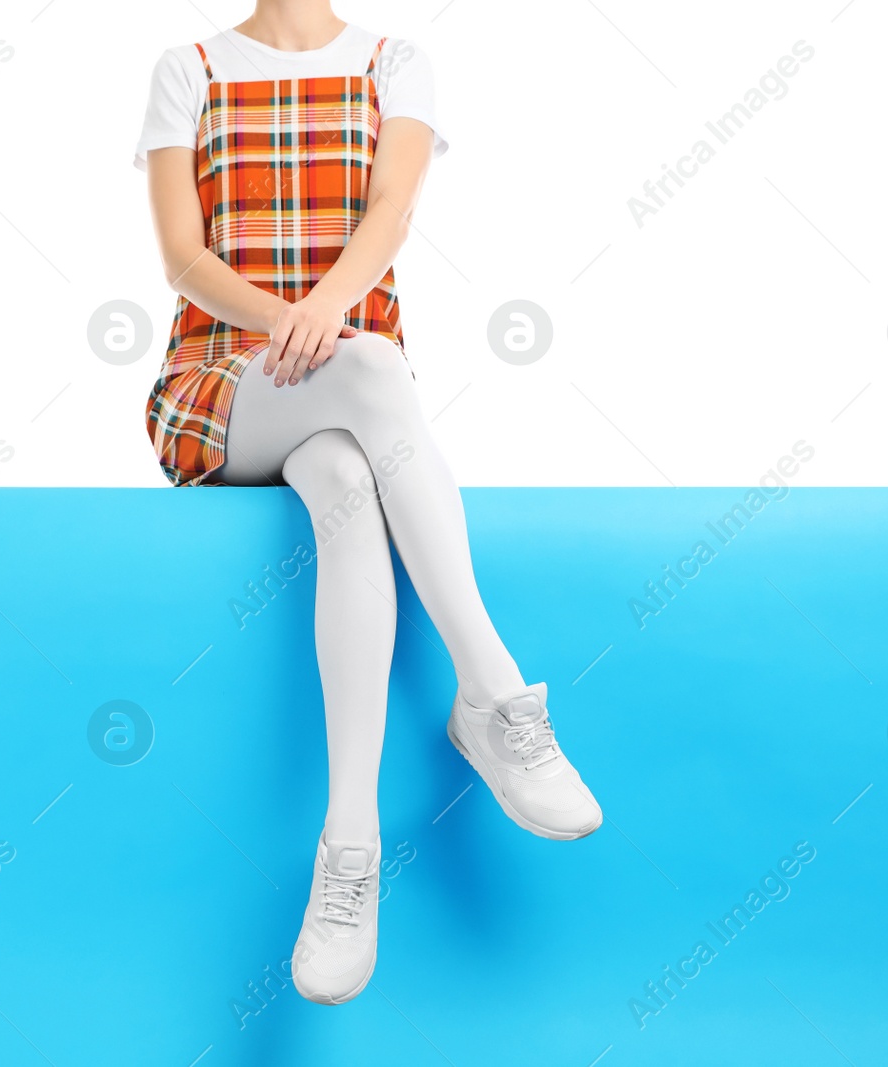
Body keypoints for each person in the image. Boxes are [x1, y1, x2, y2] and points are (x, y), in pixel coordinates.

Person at [135, 1, 601, 1006]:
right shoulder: (188, 68)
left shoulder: (397, 62)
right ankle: (493, 695)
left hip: (348, 377)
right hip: (225, 380)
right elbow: (182, 255)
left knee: (349, 475)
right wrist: (290, 324)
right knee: (375, 371)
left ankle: (348, 849)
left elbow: (388, 212)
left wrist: (327, 313)